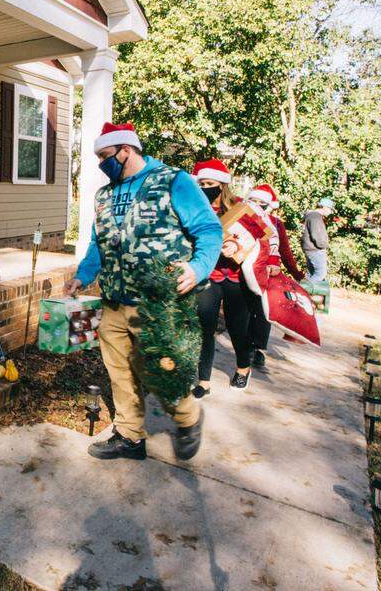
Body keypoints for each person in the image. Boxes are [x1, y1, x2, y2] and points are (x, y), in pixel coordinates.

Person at [64, 123, 221, 462]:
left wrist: (197, 268)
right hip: (115, 301)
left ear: (126, 150)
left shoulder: (173, 181)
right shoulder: (104, 195)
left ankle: (188, 418)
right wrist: (82, 276)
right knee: (119, 373)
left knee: (162, 371)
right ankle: (130, 436)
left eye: (105, 156)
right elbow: (98, 244)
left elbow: (209, 230)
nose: (101, 163)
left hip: (157, 304)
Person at [190, 159, 258, 396]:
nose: (205, 188)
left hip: (236, 278)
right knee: (205, 327)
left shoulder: (241, 208)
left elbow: (257, 239)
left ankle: (243, 368)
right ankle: (204, 382)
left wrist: (236, 247)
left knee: (237, 327)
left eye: (210, 183)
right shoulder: (196, 208)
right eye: (201, 183)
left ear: (223, 185)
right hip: (209, 275)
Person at [244, 184, 303, 367]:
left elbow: (284, 251)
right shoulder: (243, 218)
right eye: (253, 201)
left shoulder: (276, 223)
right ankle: (246, 347)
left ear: (268, 205)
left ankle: (259, 349)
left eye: (261, 202)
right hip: (245, 270)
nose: (256, 205)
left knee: (263, 312)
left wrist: (296, 273)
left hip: (268, 272)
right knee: (246, 310)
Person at [301, 197, 335, 283]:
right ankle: (301, 291)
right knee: (320, 274)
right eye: (330, 209)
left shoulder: (311, 215)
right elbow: (317, 236)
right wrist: (324, 245)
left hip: (310, 249)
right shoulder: (315, 217)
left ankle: (306, 294)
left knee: (311, 274)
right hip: (315, 250)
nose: (331, 212)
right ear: (325, 207)